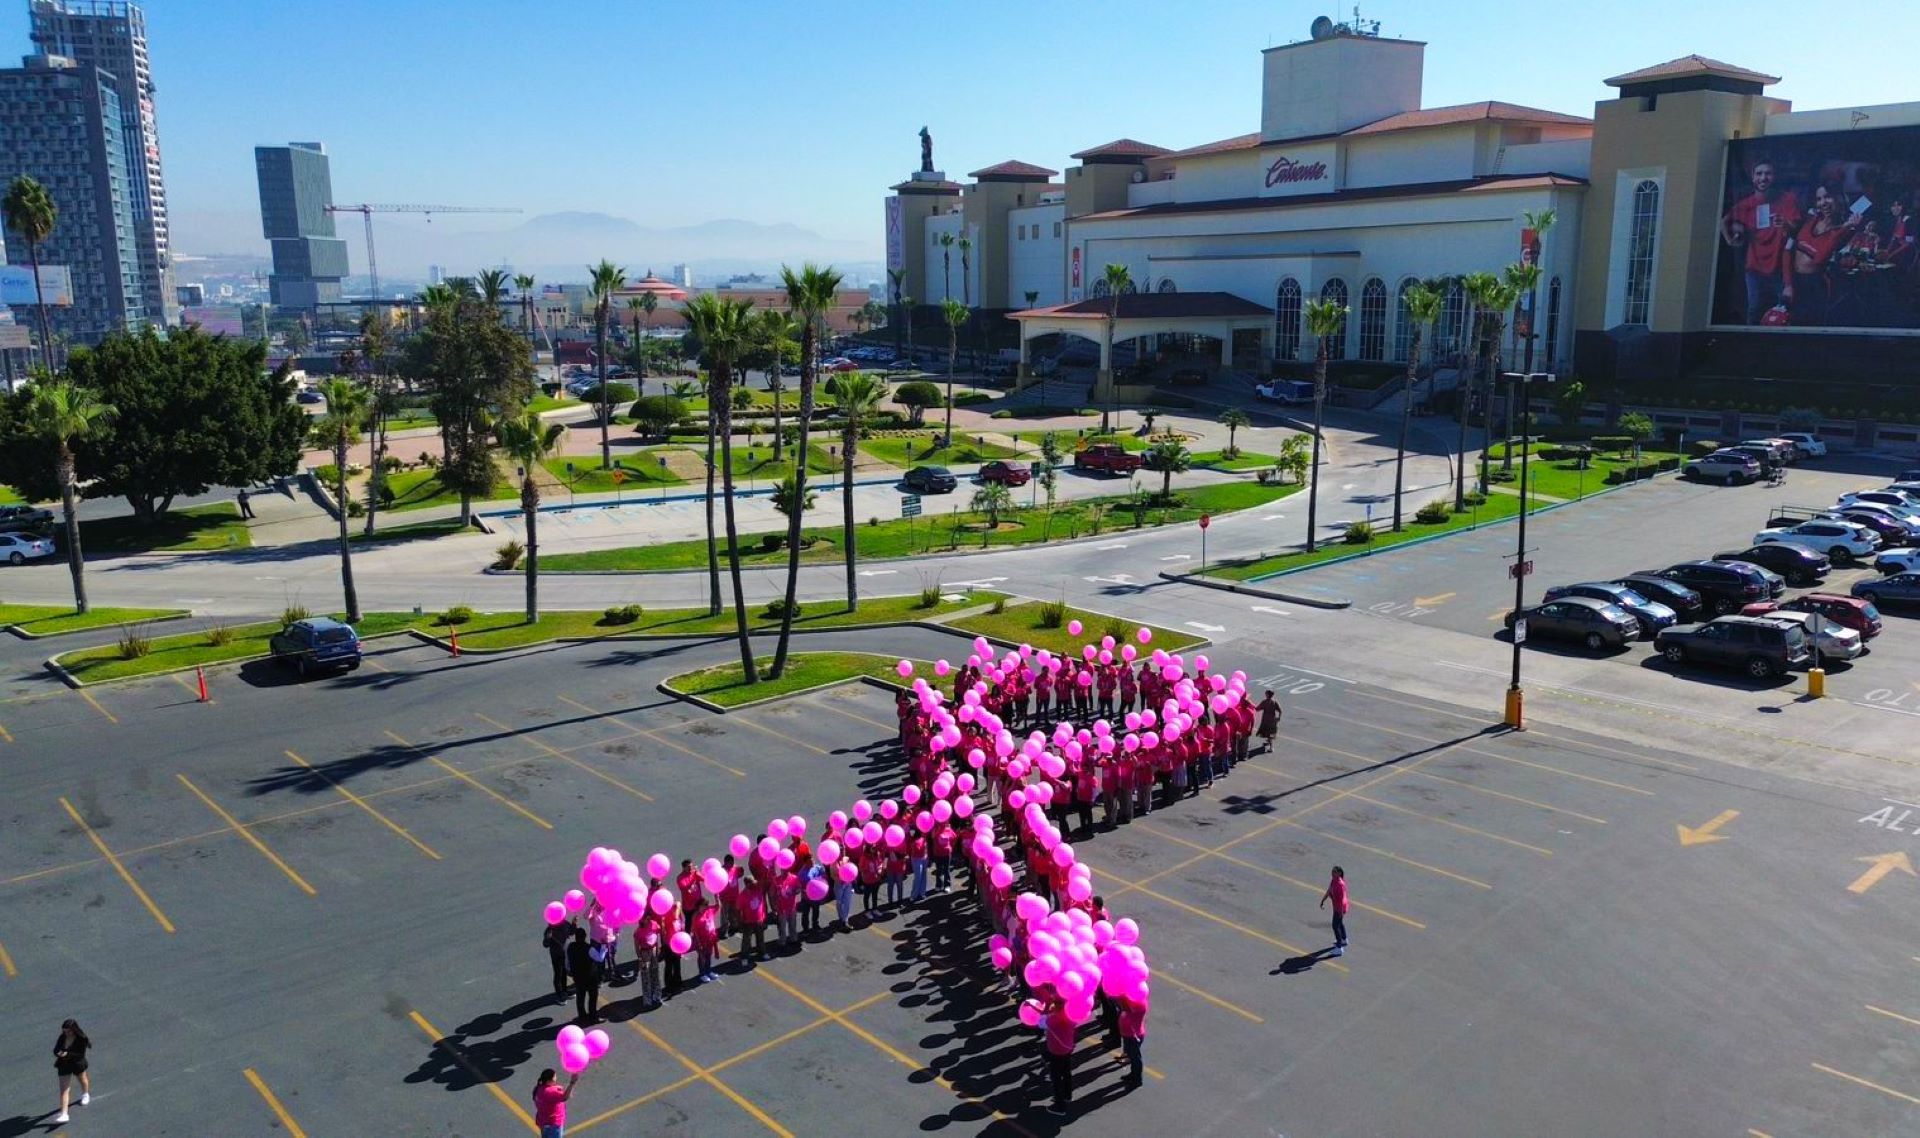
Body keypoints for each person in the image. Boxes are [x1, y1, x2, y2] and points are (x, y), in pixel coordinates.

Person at [1720, 157, 1803, 324]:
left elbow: (1797, 227)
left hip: (1781, 268)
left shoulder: (1788, 199)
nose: (1763, 178)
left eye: (1768, 173)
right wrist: (1731, 239)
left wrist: (1786, 224)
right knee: (1754, 310)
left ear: (1775, 176)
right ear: (1752, 177)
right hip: (1754, 269)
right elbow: (1724, 221)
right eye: (1759, 173)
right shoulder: (1746, 204)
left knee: (1784, 312)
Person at [1042, 994, 1077, 1116]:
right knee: (1066, 1072)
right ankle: (1067, 1095)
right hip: (1068, 1047)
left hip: (1056, 1050)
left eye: (1055, 1002)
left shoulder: (1054, 1019)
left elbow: (1041, 1023)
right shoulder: (1071, 1014)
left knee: (1056, 1078)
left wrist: (1046, 1009)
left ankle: (1059, 1105)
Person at [52, 1019, 90, 1124]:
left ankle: (85, 1094)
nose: (66, 1033)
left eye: (68, 1031)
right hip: (64, 1065)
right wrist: (59, 1054)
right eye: (64, 1031)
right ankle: (64, 1114)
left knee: (82, 1080)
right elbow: (56, 1049)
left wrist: (66, 1054)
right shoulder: (62, 1037)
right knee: (64, 1090)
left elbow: (80, 1055)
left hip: (77, 1063)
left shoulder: (81, 1039)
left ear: (74, 1030)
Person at [531, 1067, 579, 1138]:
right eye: (555, 1077)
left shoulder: (539, 1088)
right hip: (553, 1125)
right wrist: (572, 1082)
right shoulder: (550, 1091)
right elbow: (565, 1097)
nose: (556, 1078)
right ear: (548, 1081)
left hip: (543, 1121)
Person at [566, 927, 600, 1021]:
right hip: (590, 977)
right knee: (593, 996)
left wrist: (569, 970)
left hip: (578, 976)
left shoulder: (571, 947)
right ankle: (593, 1015)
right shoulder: (589, 948)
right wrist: (604, 949)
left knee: (580, 996)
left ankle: (582, 1016)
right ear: (585, 936)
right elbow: (599, 958)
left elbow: (567, 961)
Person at [1116, 993, 1148, 1090]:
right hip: (1128, 1036)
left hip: (1133, 1037)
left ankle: (1137, 1080)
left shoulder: (1135, 1009)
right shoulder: (1131, 1008)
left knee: (1135, 1058)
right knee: (1132, 1056)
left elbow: (1123, 1005)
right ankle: (1133, 1075)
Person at [1320, 865, 1349, 956]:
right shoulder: (1334, 881)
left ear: (1339, 873)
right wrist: (1323, 900)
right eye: (1332, 872)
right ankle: (1344, 939)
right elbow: (1329, 891)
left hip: (1340, 907)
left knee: (1335, 926)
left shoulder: (1340, 885)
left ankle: (1339, 948)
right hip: (1337, 906)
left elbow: (1341, 900)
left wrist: (1340, 912)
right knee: (1339, 923)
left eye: (1334, 872)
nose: (1332, 873)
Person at [543, 917, 574, 1001]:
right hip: (556, 955)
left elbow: (572, 932)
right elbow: (545, 944)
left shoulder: (565, 924)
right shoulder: (549, 930)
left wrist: (574, 923)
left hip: (565, 953)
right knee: (558, 974)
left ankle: (564, 990)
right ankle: (559, 995)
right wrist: (548, 938)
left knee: (564, 973)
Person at [691, 896, 720, 983]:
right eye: (704, 905)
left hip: (710, 939)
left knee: (708, 956)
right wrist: (698, 943)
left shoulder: (709, 911)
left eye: (707, 905)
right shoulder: (696, 917)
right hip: (701, 940)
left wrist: (716, 897)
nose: (706, 907)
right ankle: (702, 974)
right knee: (702, 957)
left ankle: (708, 971)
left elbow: (718, 906)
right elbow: (694, 931)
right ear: (699, 906)